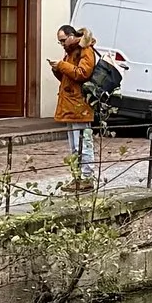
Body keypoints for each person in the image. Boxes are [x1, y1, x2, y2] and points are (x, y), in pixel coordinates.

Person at [52, 21, 100, 183]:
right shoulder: (70, 52)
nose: (62, 44)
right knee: (74, 146)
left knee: (83, 144)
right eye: (60, 41)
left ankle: (87, 177)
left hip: (80, 105)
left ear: (72, 37)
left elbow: (82, 73)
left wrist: (62, 65)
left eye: (63, 40)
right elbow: (68, 79)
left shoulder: (85, 50)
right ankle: (77, 177)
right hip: (70, 104)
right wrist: (57, 69)